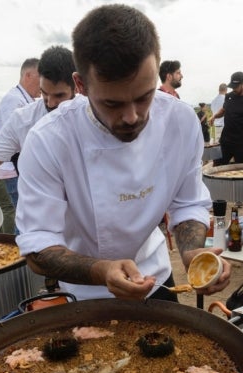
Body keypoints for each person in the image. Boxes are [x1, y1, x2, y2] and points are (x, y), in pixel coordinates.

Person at [15, 4, 231, 302]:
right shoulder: (49, 140)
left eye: (144, 97)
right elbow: (38, 247)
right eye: (113, 104)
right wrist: (102, 271)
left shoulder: (180, 122)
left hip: (155, 278)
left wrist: (192, 251)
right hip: (84, 293)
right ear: (81, 85)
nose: (132, 117)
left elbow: (187, 203)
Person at [0, 46, 77, 205]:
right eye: (44, 93)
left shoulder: (93, 115)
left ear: (76, 86)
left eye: (59, 96)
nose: (50, 103)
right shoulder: (23, 119)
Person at [0, 57, 40, 232]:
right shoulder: (13, 100)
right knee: (24, 216)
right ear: (28, 75)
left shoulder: (26, 100)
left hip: (20, 168)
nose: (43, 84)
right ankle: (20, 256)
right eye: (41, 77)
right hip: (14, 169)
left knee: (27, 216)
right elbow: (12, 140)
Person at [209, 71, 243, 166]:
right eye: (232, 87)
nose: (234, 89)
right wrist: (214, 116)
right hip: (225, 140)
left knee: (241, 171)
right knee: (216, 166)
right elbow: (223, 110)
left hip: (242, 143)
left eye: (236, 86)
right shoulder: (228, 96)